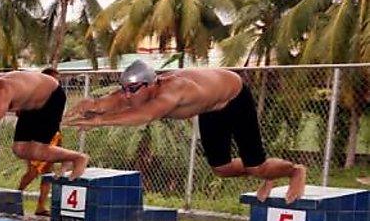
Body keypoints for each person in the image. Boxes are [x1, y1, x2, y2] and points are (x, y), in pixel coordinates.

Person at [65, 60, 306, 203]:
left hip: (234, 97)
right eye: (125, 88)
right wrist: (92, 105)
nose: (128, 94)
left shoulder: (173, 91)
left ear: (150, 85)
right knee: (221, 168)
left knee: (256, 166)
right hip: (212, 106)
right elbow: (112, 100)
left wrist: (99, 121)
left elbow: (145, 116)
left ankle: (294, 171)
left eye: (133, 89)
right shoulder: (140, 90)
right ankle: (266, 173)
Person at [18, 67, 63, 216]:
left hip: (53, 137)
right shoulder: (34, 95)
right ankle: (14, 196)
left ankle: (40, 206)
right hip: (35, 138)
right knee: (33, 171)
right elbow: (20, 112)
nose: (56, 83)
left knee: (47, 173)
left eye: (57, 80)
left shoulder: (56, 96)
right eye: (53, 80)